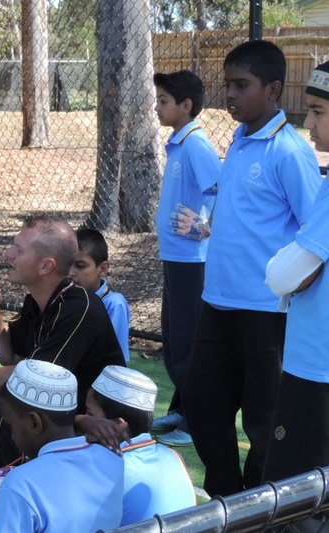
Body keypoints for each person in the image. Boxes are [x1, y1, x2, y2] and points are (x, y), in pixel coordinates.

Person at [178, 40, 322, 497]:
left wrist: (290, 287)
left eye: (242, 85)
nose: (230, 95)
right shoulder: (238, 142)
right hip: (218, 302)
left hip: (267, 312)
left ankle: (259, 505)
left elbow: (312, 231)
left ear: (274, 89)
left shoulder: (289, 151)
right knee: (201, 404)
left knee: (265, 420)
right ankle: (227, 497)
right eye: (227, 85)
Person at [0, 214, 125, 506]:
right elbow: (9, 353)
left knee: (3, 411)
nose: (8, 254)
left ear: (46, 266)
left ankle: (5, 503)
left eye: (19, 249)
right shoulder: (37, 300)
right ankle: (23, 484)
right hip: (56, 416)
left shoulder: (78, 308)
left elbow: (25, 380)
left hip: (94, 425)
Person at [263, 61, 329, 494]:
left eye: (319, 111)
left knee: (293, 494)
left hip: (315, 365)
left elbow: (288, 273)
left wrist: (281, 264)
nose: (308, 122)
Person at [151, 69, 220, 448]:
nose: (157, 106)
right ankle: (182, 406)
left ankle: (196, 420)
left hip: (193, 262)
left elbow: (221, 189)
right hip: (176, 259)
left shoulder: (195, 145)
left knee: (187, 340)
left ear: (186, 106)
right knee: (176, 338)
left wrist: (204, 225)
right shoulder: (180, 142)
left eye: (163, 101)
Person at [0, 359, 123, 533]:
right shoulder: (113, 459)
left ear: (34, 423)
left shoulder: (19, 484)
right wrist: (81, 420)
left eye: (11, 425)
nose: (12, 436)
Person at [85, 365, 195, 525]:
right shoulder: (173, 456)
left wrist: (77, 421)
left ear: (117, 425)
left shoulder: (106, 469)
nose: (86, 423)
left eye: (90, 415)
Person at [69, 227, 131, 362]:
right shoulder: (66, 297)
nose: (70, 272)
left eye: (80, 266)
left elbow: (115, 357)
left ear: (102, 269)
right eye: (67, 264)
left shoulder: (113, 304)